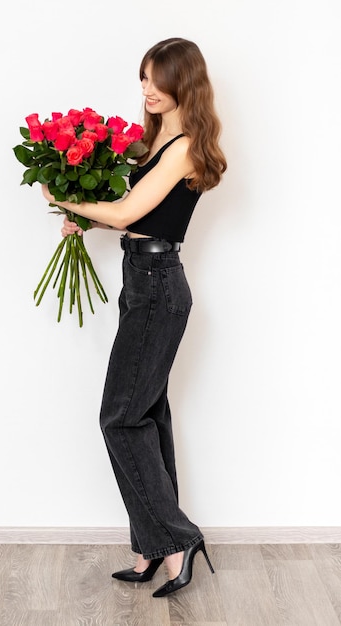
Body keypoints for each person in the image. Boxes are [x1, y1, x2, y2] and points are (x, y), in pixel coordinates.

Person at [42, 37, 227, 598]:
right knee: (146, 415)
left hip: (158, 286)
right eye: (141, 78)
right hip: (140, 281)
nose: (145, 88)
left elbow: (127, 210)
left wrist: (67, 199)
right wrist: (89, 224)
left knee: (120, 418)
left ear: (182, 82)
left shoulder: (186, 146)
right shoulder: (157, 142)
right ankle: (152, 547)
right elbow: (135, 221)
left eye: (155, 79)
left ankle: (177, 540)